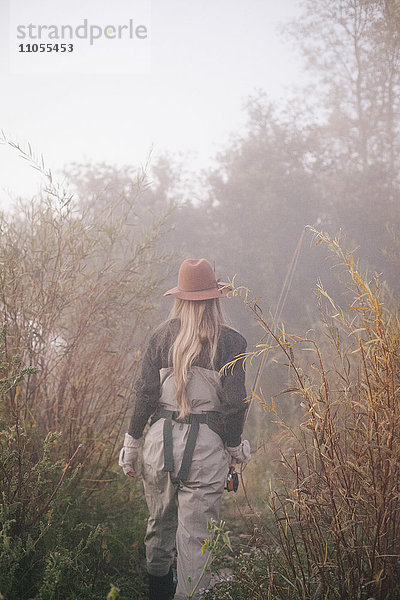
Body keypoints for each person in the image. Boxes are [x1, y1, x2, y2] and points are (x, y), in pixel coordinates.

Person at [119, 258, 251, 600]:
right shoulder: (233, 343)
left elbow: (146, 394)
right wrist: (235, 449)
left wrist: (131, 445)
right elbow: (235, 404)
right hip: (206, 449)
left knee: (159, 525)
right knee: (195, 538)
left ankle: (158, 593)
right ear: (215, 298)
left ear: (179, 297)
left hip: (158, 446)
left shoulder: (160, 337)